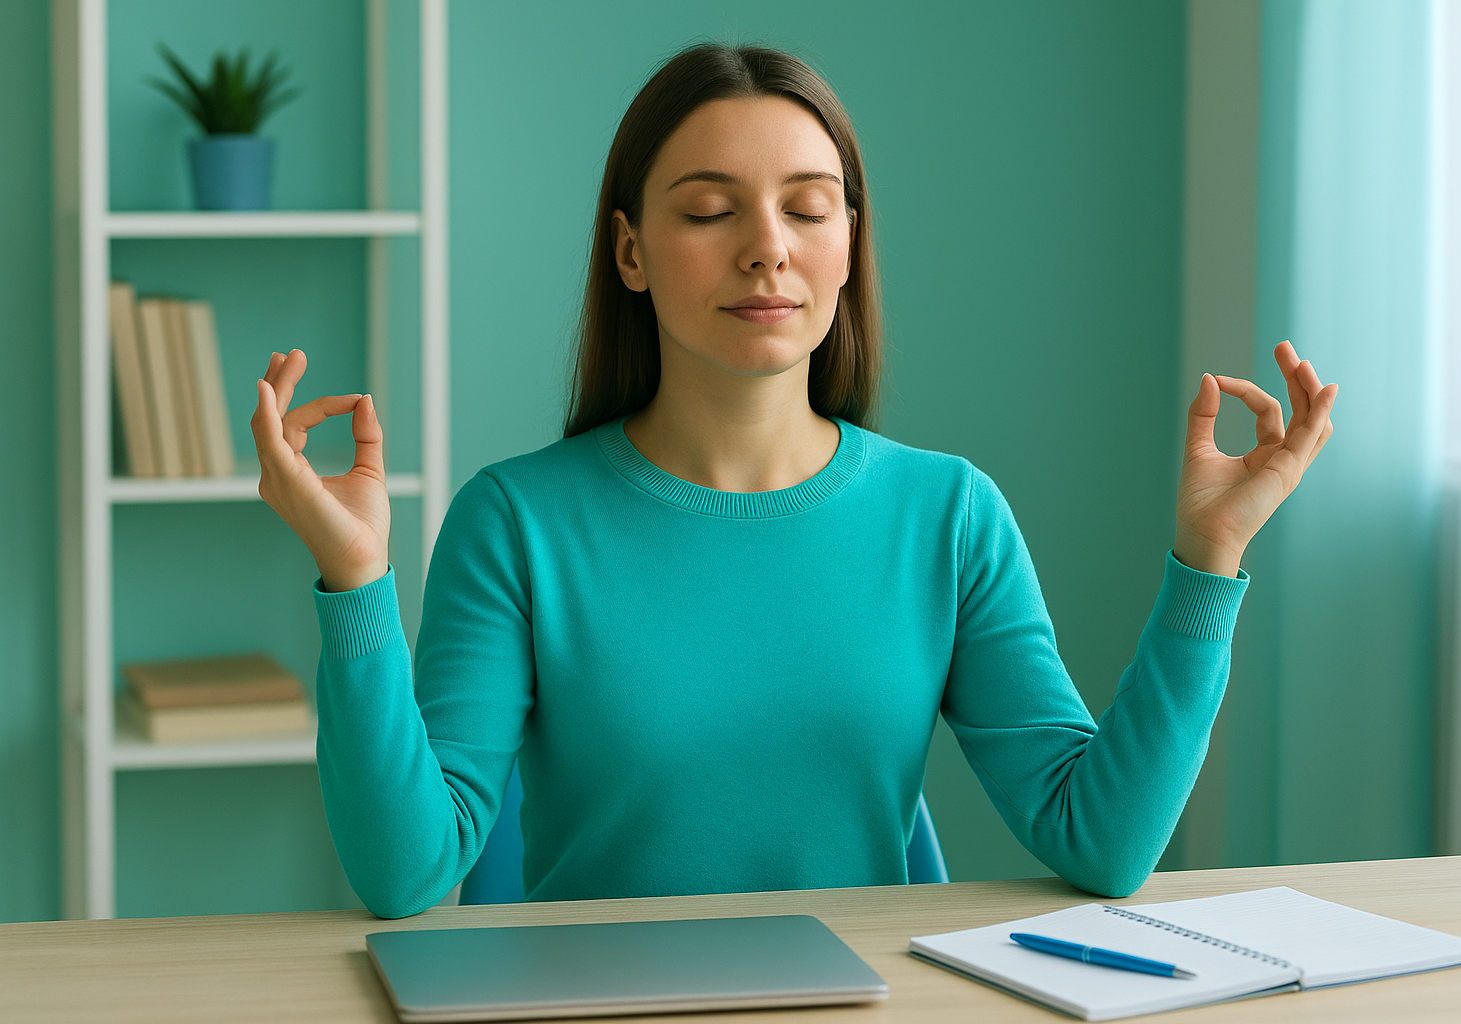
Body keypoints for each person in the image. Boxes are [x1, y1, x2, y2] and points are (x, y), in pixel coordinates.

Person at [251, 44, 1336, 920]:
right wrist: (355, 580)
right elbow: (405, 875)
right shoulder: (516, 521)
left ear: (850, 244)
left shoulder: (949, 515)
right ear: (629, 251)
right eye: (709, 210)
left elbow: (1099, 841)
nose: (767, 248)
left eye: (809, 208)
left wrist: (1210, 561)